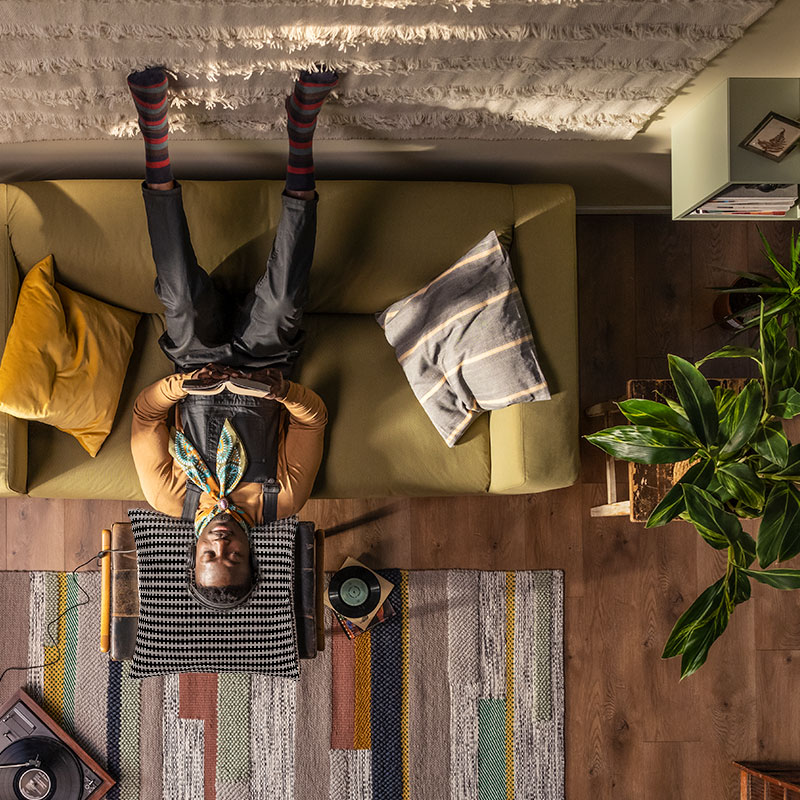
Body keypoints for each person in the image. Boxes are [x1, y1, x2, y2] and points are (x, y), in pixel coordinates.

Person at [128, 66, 337, 608]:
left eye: (209, 559)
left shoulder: (167, 495)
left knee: (178, 296)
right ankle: (300, 133)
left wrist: (181, 390)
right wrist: (273, 392)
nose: (221, 548)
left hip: (193, 358)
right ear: (254, 555)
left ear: (191, 554)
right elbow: (315, 416)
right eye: (235, 560)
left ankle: (154, 134)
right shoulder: (281, 501)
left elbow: (145, 417)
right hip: (268, 359)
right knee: (287, 299)